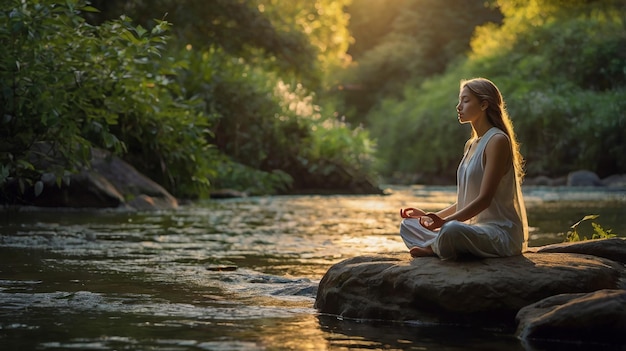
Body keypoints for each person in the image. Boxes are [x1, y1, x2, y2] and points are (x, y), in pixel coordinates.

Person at [399, 77, 528, 260]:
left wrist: (444, 223)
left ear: (484, 105)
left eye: (466, 101)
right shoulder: (471, 144)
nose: (459, 106)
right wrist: (432, 218)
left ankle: (434, 247)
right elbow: (467, 201)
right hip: (473, 229)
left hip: (499, 233)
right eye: (460, 101)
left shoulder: (497, 140)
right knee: (408, 225)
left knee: (451, 229)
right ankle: (440, 245)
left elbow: (484, 200)